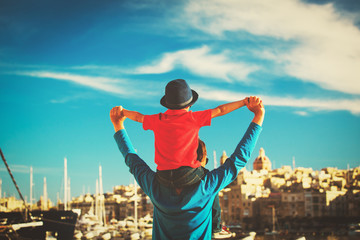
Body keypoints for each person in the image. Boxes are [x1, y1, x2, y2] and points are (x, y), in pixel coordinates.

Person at [110, 96, 264, 239]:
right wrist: (258, 116)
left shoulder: (154, 186)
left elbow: (131, 158)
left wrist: (118, 125)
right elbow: (238, 159)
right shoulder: (206, 186)